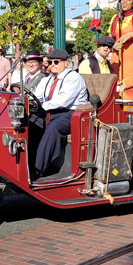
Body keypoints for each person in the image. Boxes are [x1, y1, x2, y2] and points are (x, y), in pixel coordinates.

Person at [32, 49, 88, 179]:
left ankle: (39, 169)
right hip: (50, 112)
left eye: (56, 62)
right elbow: (37, 95)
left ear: (66, 63)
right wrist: (29, 104)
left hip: (71, 114)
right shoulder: (48, 79)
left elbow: (63, 100)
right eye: (49, 62)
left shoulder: (74, 78)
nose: (52, 65)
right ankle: (25, 163)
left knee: (54, 127)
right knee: (30, 122)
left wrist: (42, 107)